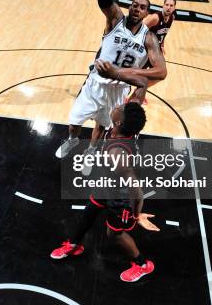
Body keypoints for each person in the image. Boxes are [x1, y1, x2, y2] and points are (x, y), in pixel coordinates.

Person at [55, 0, 166, 159]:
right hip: (94, 85)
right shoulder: (115, 18)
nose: (137, 8)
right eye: (134, 4)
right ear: (129, 6)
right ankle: (73, 140)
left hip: (117, 92)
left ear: (147, 13)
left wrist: (120, 73)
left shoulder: (149, 39)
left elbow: (162, 71)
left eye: (142, 7)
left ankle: (92, 151)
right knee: (74, 122)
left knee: (102, 127)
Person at [50, 66, 159, 283]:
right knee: (89, 212)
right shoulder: (128, 119)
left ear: (118, 122)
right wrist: (115, 73)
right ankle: (74, 244)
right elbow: (143, 84)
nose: (119, 104)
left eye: (120, 106)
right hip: (107, 184)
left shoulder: (118, 153)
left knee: (114, 234)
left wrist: (137, 215)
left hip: (121, 197)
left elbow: (136, 191)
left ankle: (142, 264)